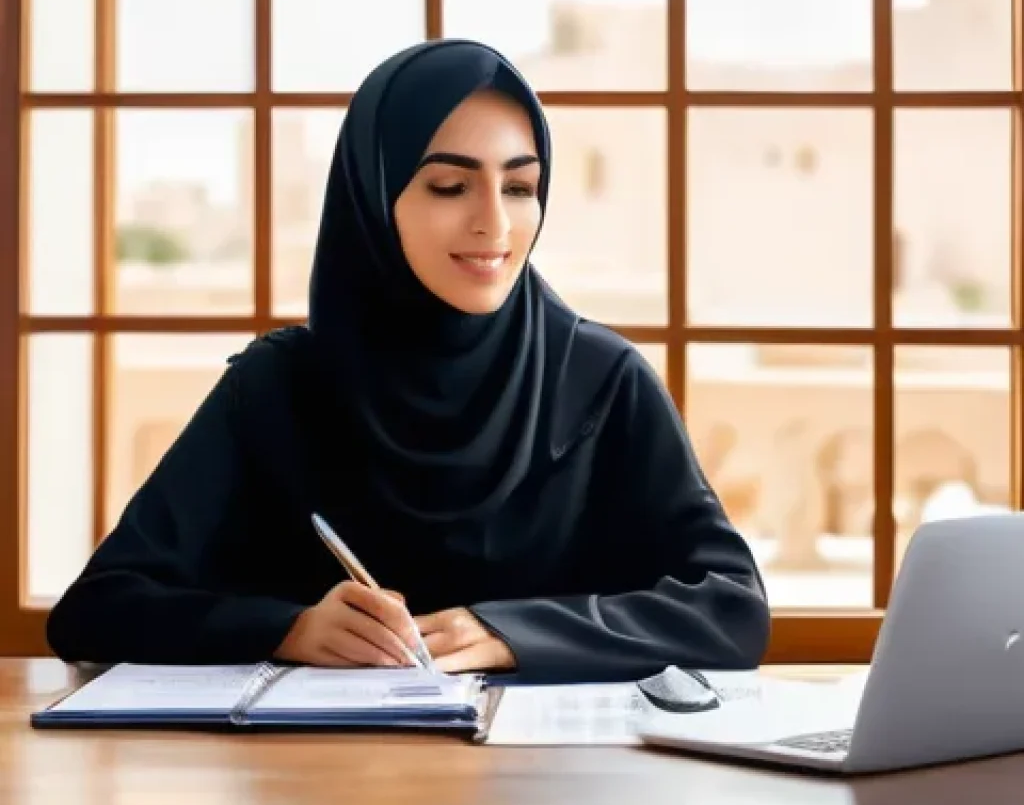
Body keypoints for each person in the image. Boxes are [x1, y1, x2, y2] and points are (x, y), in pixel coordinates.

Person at [45, 39, 771, 683]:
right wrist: (288, 629)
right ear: (373, 196)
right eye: (449, 186)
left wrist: (509, 634)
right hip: (322, 802)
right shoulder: (279, 386)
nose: (495, 221)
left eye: (520, 186)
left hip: (549, 802)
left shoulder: (600, 380)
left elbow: (732, 608)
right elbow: (96, 610)